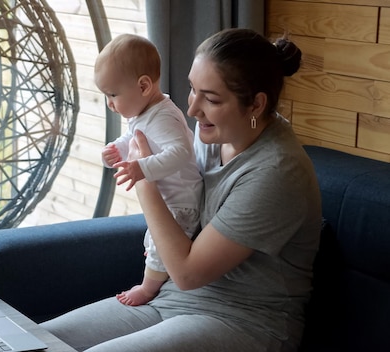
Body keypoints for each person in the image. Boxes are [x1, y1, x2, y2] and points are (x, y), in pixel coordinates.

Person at [40, 28, 322, 352]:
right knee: (36, 341)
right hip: (171, 298)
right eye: (192, 89)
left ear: (256, 105)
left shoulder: (276, 172)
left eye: (212, 99)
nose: (192, 110)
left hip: (244, 321)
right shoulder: (214, 137)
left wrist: (143, 175)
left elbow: (187, 273)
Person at [96, 33, 203, 306]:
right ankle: (160, 269)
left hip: (182, 203)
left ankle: (147, 288)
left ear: (143, 85)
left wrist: (141, 168)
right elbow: (135, 140)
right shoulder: (144, 114)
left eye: (113, 94)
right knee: (152, 242)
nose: (110, 103)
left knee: (158, 247)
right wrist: (116, 150)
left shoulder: (164, 116)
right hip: (168, 203)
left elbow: (180, 153)